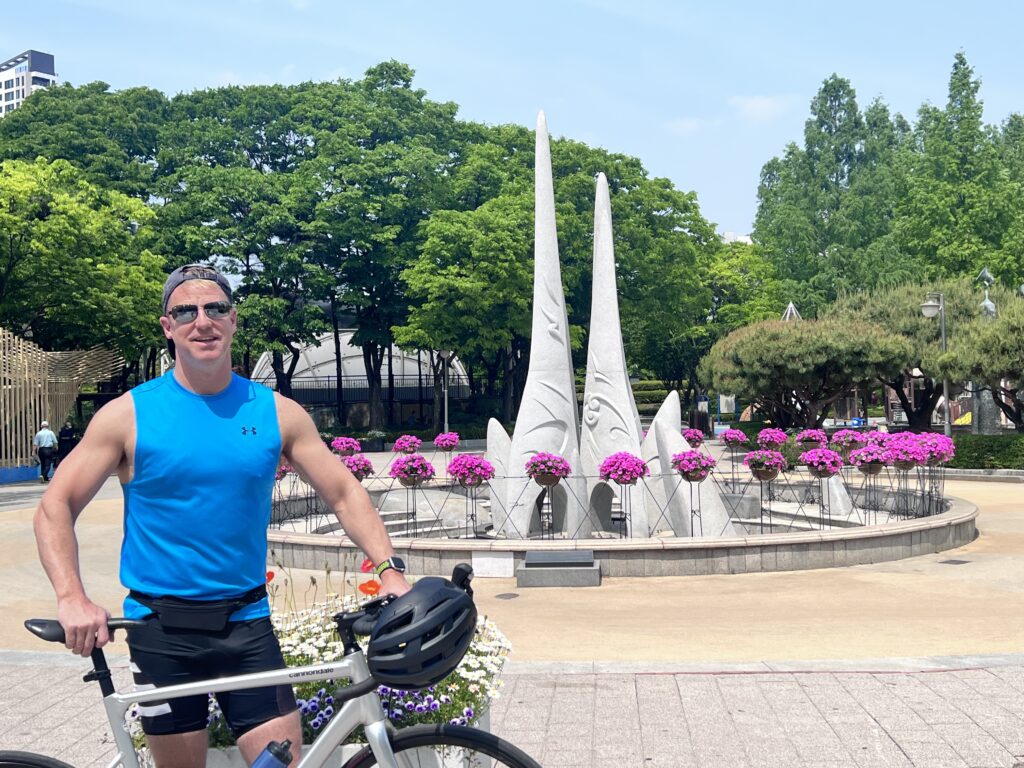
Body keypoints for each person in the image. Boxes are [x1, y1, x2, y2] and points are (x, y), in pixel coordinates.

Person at [34, 263, 411, 768]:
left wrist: (389, 570)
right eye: (185, 311)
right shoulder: (128, 414)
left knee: (281, 765)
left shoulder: (276, 412)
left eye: (215, 308)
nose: (202, 321)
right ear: (168, 327)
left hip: (247, 625)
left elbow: (344, 492)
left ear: (233, 320)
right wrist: (71, 597)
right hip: (160, 631)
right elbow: (54, 506)